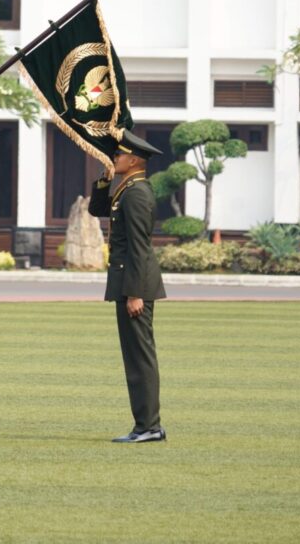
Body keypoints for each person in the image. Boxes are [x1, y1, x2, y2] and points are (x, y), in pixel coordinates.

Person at [88, 129, 168, 443]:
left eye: (118, 155)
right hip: (130, 282)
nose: (115, 158)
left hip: (135, 286)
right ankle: (147, 425)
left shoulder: (137, 193)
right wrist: (105, 179)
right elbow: (97, 209)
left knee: (140, 357)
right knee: (135, 356)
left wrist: (134, 292)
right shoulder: (128, 188)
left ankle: (149, 426)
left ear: (133, 160)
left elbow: (138, 246)